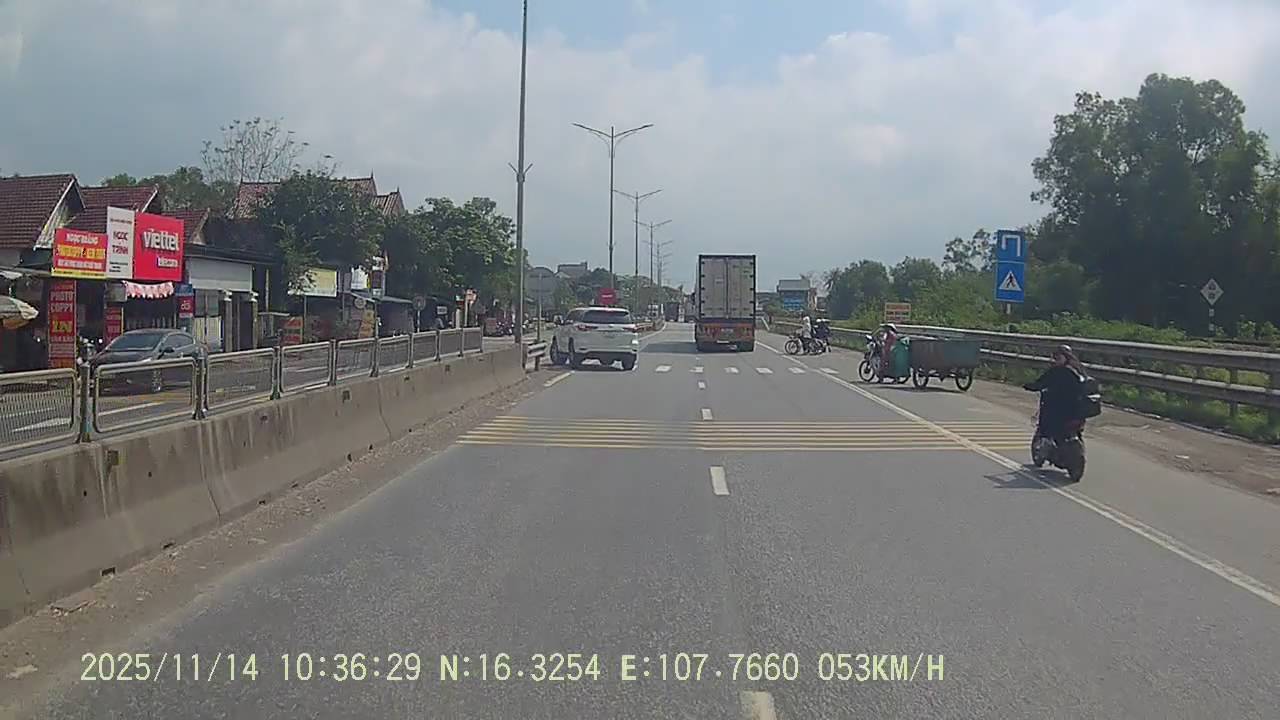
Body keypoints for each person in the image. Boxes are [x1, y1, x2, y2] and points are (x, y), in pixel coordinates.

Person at [1023, 344, 1086, 440]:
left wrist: (1029, 386)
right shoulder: (1079, 371)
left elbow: (1040, 383)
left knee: (1045, 425)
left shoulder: (1057, 371)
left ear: (1065, 357)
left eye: (1057, 357)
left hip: (1059, 409)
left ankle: (1048, 440)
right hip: (1076, 412)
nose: (1055, 360)